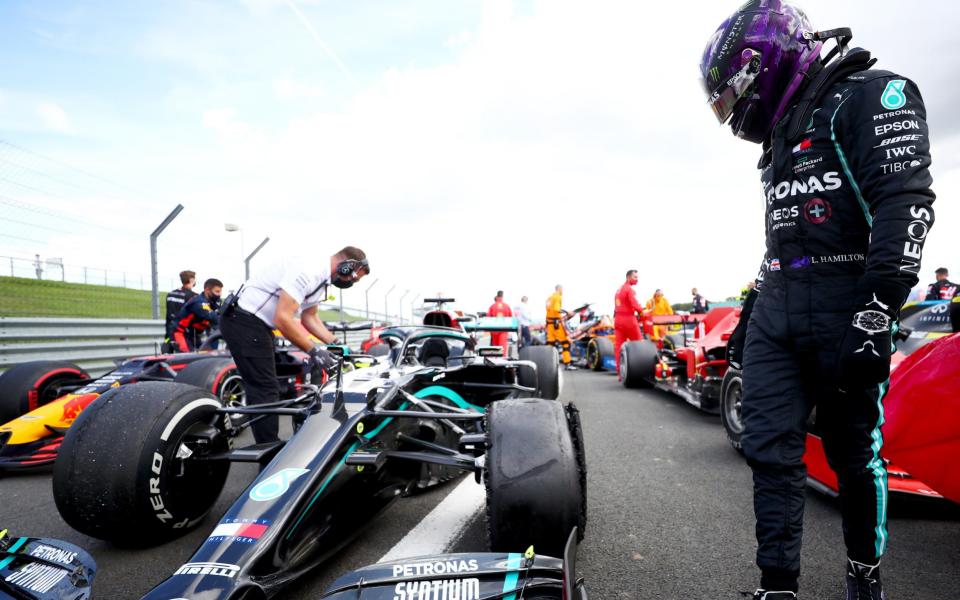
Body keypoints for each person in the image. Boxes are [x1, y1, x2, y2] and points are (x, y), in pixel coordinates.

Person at [700, 2, 936, 598]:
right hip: (780, 310)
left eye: (734, 95)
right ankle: (778, 586)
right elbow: (781, 237)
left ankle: (864, 574)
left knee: (853, 454)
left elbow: (904, 203)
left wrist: (877, 307)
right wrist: (750, 314)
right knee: (767, 450)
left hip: (847, 303)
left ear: (764, 62)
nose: (734, 114)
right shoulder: (779, 137)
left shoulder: (872, 94)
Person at [220, 246, 370, 444]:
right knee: (265, 389)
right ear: (346, 267)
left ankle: (269, 445)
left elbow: (310, 318)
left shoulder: (321, 279)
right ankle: (268, 451)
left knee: (267, 387)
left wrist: (337, 345)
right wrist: (314, 350)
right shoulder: (309, 270)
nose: (352, 282)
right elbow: (283, 318)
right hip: (244, 320)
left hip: (257, 325)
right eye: (353, 277)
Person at [171, 278, 223, 352]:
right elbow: (213, 317)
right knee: (188, 357)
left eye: (220, 291)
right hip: (180, 333)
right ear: (207, 290)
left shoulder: (214, 302)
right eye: (217, 291)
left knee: (206, 355)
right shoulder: (198, 302)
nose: (220, 294)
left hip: (194, 335)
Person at [614, 270, 645, 375]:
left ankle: (620, 373)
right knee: (639, 344)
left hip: (618, 320)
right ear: (628, 277)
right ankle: (643, 370)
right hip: (628, 320)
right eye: (635, 277)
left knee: (618, 347)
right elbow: (635, 305)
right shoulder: (629, 289)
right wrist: (643, 311)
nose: (637, 279)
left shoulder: (619, 289)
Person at [545, 285, 575, 370]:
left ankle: (547, 364)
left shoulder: (549, 298)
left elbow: (548, 310)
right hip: (556, 325)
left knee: (550, 344)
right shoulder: (557, 297)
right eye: (562, 290)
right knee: (566, 343)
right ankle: (567, 363)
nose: (563, 292)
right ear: (560, 289)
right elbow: (556, 309)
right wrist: (568, 312)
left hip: (550, 324)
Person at [164, 270, 197, 344]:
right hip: (185, 333)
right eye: (195, 279)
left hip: (170, 330)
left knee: (169, 352)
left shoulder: (170, 294)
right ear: (191, 280)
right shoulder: (194, 296)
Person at [486, 291, 513, 356]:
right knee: (503, 346)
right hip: (504, 329)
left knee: (495, 347)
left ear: (497, 296)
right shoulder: (507, 306)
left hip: (494, 329)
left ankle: (495, 359)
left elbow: (488, 318)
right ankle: (502, 360)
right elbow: (510, 318)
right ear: (502, 296)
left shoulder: (492, 306)